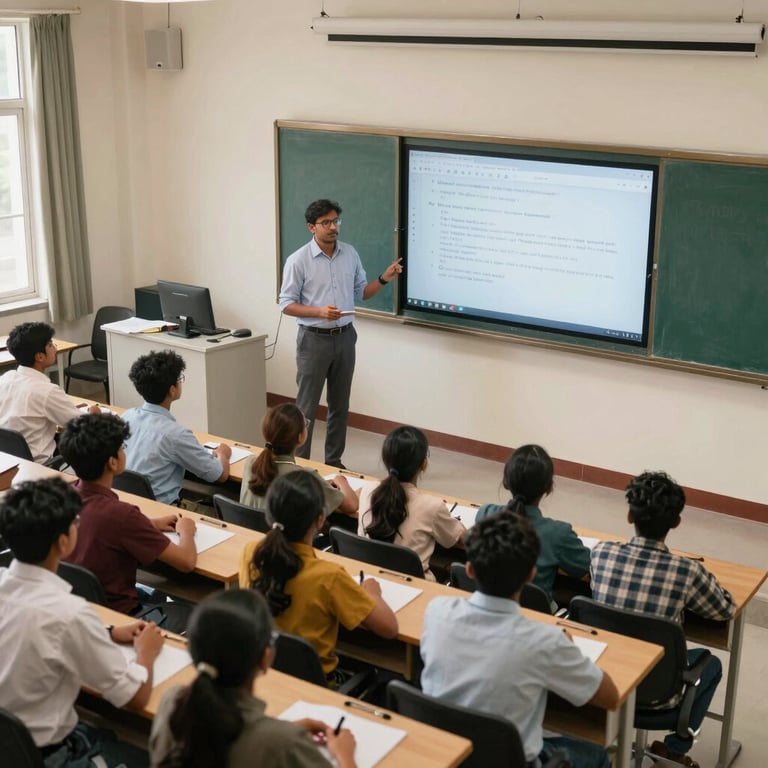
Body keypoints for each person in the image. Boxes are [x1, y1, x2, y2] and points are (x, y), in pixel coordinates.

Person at [420, 511, 618, 768]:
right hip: (511, 760)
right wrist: (568, 650)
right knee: (597, 755)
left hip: (443, 753)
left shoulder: (437, 611)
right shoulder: (546, 641)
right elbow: (611, 697)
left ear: (469, 570)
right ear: (531, 575)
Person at [0, 476, 164, 767]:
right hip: (52, 754)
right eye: (75, 523)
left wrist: (107, 632)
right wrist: (146, 654)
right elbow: (135, 697)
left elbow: (31, 625)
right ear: (64, 542)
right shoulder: (70, 613)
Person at [590, 471, 735, 768]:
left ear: (630, 516)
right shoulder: (687, 572)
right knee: (712, 664)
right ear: (676, 522)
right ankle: (676, 747)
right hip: (659, 697)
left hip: (603, 684)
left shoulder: (600, 554)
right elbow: (725, 610)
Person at [149, 589, 358, 768]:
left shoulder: (172, 702)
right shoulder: (283, 744)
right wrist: (344, 755)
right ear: (266, 658)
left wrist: (279, 732)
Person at [279, 198, 403, 469]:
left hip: (346, 338)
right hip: (313, 340)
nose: (333, 227)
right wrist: (319, 312)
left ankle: (333, 461)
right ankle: (300, 463)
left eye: (336, 221)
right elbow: (286, 304)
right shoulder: (298, 260)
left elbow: (362, 293)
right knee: (306, 408)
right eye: (326, 223)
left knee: (339, 405)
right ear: (312, 227)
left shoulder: (350, 254)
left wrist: (385, 277)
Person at [239, 472, 398, 681]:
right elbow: (389, 628)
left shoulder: (251, 553)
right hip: (316, 686)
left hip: (262, 674)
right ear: (320, 519)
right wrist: (372, 593)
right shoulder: (329, 576)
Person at [59, 412, 197, 615]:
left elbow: (101, 525)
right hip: (123, 615)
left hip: (81, 608)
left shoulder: (63, 495)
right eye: (122, 447)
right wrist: (187, 531)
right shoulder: (122, 516)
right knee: (189, 610)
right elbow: (186, 562)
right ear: (112, 462)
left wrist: (149, 523)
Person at [475, 444, 589, 605]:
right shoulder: (559, 534)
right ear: (549, 488)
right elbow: (585, 567)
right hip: (537, 618)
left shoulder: (485, 514)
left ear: (506, 482)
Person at [122, 350, 231, 505]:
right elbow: (219, 475)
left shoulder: (127, 417)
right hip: (164, 513)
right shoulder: (176, 434)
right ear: (172, 390)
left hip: (127, 506)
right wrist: (223, 454)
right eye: (179, 379)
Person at [358, 425, 465, 580]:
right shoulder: (432, 507)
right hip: (415, 588)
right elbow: (461, 540)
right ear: (423, 464)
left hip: (369, 579)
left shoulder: (369, 490)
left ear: (386, 459)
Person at [240, 403, 358, 525]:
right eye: (305, 424)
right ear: (300, 437)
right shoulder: (304, 477)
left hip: (250, 538)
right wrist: (341, 481)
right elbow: (352, 505)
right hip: (285, 543)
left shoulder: (251, 463)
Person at [0, 321, 99, 462]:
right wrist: (94, 413)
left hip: (8, 462)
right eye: (50, 345)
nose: (55, 348)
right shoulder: (47, 391)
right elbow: (82, 427)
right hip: (41, 466)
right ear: (39, 356)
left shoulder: (5, 379)